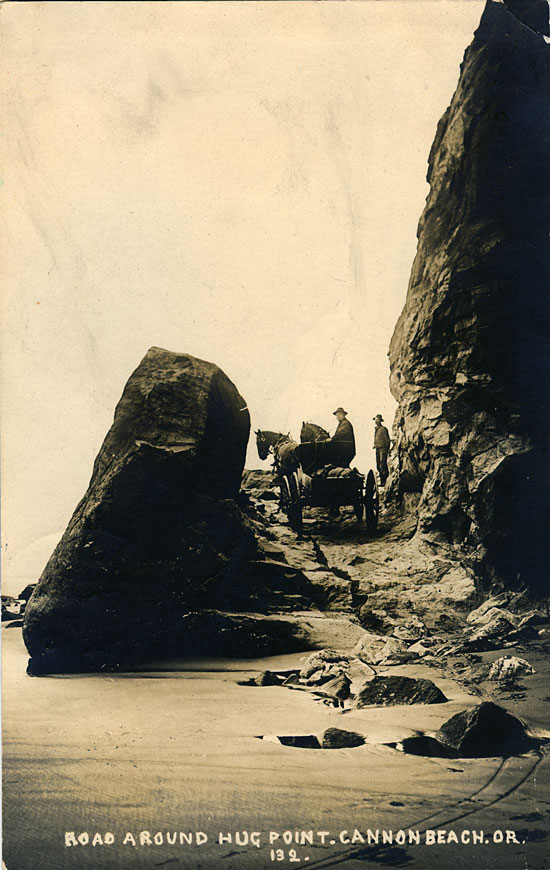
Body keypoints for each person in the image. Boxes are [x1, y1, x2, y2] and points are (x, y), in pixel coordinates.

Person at [373, 414, 390, 485]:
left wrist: (387, 449)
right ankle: (382, 480)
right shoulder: (376, 429)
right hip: (377, 448)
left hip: (382, 449)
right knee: (378, 465)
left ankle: (385, 481)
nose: (376, 421)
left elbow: (387, 440)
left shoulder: (383, 429)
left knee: (382, 464)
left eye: (377, 419)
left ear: (380, 421)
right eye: (375, 419)